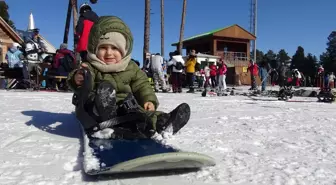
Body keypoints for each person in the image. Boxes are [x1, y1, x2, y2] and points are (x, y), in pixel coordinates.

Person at [67, 16, 190, 138]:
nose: (109, 53)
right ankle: (106, 116)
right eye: (103, 48)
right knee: (97, 98)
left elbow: (142, 85)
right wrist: (78, 78)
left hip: (126, 106)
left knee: (141, 113)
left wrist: (148, 100)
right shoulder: (91, 66)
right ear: (95, 48)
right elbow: (80, 81)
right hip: (98, 106)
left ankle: (163, 122)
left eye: (115, 48)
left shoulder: (130, 67)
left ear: (124, 50)